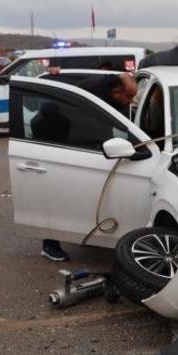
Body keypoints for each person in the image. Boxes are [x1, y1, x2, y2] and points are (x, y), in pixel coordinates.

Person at [38, 71, 139, 262]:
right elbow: (87, 125)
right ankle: (50, 244)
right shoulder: (90, 94)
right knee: (63, 196)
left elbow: (122, 119)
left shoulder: (110, 92)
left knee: (91, 195)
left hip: (90, 143)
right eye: (128, 97)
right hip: (71, 146)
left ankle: (91, 232)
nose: (130, 101)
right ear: (116, 91)